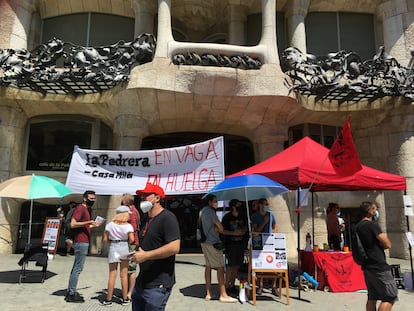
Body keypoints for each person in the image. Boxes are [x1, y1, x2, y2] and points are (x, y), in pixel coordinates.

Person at [130, 183, 180, 311]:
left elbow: (175, 247)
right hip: (142, 282)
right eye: (141, 196)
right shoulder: (146, 219)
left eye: (146, 195)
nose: (142, 198)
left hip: (158, 285)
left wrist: (146, 255)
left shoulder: (167, 218)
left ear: (157, 198)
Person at [356, 201, 398, 311]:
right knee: (390, 296)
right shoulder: (372, 225)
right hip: (378, 265)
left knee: (372, 296)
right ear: (370, 211)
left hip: (367, 266)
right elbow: (387, 243)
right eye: (375, 209)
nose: (376, 211)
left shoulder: (358, 226)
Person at [199, 194, 238, 303]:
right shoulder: (211, 212)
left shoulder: (202, 211)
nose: (217, 203)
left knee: (208, 266)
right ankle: (223, 294)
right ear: (210, 202)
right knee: (220, 267)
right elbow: (220, 228)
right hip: (213, 242)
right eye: (215, 201)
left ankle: (208, 293)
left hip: (204, 242)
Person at [65, 190, 102, 303]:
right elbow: (73, 223)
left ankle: (71, 291)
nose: (93, 200)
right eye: (91, 198)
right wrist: (88, 222)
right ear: (85, 198)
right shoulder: (81, 208)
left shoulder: (86, 209)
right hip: (81, 242)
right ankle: (71, 293)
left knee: (76, 267)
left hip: (83, 240)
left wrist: (91, 225)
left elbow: (82, 227)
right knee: (78, 268)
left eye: (94, 199)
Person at [101, 205, 134, 306]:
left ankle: (108, 299)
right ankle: (125, 299)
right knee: (123, 275)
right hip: (124, 246)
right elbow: (132, 240)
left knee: (112, 274)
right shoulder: (128, 226)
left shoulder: (110, 225)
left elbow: (105, 240)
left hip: (113, 246)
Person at [251, 198, 278, 295]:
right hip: (259, 242)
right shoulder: (255, 216)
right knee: (261, 265)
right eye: (264, 204)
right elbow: (256, 231)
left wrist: (274, 235)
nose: (266, 206)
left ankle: (274, 286)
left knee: (273, 264)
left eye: (267, 204)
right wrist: (264, 222)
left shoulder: (271, 214)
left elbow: (275, 225)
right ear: (260, 205)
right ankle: (261, 285)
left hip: (270, 242)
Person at [221, 199, 247, 295]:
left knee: (237, 265)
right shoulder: (227, 217)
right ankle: (226, 285)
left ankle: (232, 284)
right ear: (233, 206)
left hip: (240, 244)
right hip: (230, 244)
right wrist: (233, 233)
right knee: (230, 265)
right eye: (238, 205)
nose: (239, 207)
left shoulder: (243, 216)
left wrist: (244, 231)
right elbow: (222, 230)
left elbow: (246, 228)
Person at [121, 193, 141, 300]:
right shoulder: (133, 210)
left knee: (131, 268)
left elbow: (132, 228)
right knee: (128, 268)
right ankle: (127, 290)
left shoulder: (131, 212)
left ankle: (130, 292)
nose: (122, 201)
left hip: (131, 243)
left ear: (127, 201)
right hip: (131, 242)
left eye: (123, 199)